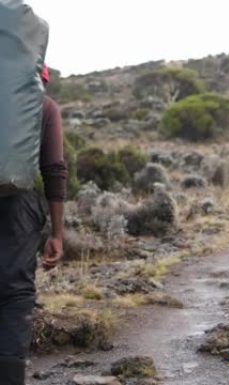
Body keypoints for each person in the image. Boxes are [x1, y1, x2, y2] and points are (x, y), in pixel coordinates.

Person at [0, 65, 66, 385]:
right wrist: (56, 233)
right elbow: (54, 169)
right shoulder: (44, 106)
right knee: (15, 295)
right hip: (19, 210)